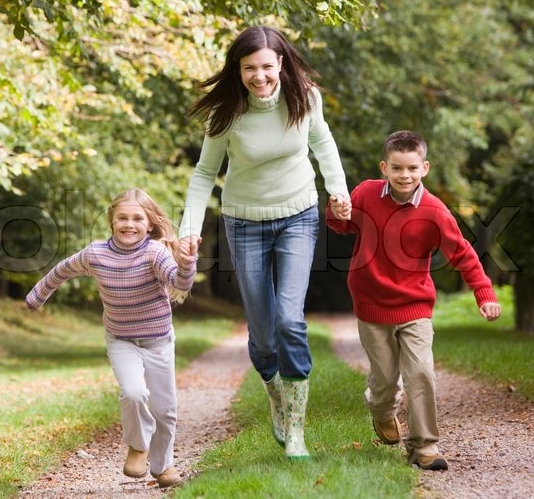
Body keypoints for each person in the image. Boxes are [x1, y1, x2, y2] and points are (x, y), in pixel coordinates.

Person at [178, 25, 352, 461]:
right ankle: (276, 393)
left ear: (281, 64)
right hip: (244, 221)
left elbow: (322, 141)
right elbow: (203, 174)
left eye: (267, 67)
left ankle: (296, 431)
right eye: (250, 68)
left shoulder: (305, 98)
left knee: (290, 321)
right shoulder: (227, 114)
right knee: (261, 336)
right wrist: (189, 227)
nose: (259, 76)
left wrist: (338, 189)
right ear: (238, 70)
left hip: (297, 215)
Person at [325, 130, 501, 471]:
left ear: (425, 168)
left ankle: (425, 447)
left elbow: (462, 253)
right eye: (397, 168)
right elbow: (342, 225)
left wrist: (484, 293)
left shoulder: (434, 211)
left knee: (421, 372)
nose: (404, 175)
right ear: (384, 167)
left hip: (414, 307)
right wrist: (336, 210)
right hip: (371, 305)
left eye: (411, 168)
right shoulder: (365, 194)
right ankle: (382, 411)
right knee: (385, 380)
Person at [26, 188, 199, 488]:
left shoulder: (154, 252)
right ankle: (138, 445)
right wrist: (37, 296)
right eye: (122, 218)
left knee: (165, 409)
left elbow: (178, 282)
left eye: (136, 218)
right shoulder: (96, 254)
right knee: (133, 393)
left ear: (149, 224)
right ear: (111, 221)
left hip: (158, 340)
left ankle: (163, 467)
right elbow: (61, 270)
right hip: (121, 339)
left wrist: (186, 264)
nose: (129, 224)